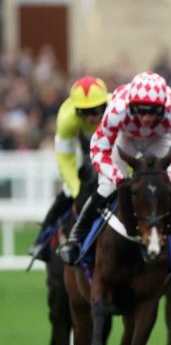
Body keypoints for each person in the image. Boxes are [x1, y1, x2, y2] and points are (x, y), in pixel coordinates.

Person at [58, 71, 171, 265]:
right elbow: (98, 149)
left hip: (159, 139)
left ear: (164, 108)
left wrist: (170, 176)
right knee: (107, 187)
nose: (146, 118)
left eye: (153, 112)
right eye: (141, 110)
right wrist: (117, 176)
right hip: (125, 139)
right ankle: (76, 238)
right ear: (131, 106)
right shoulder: (117, 109)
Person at [28, 76, 110, 259]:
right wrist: (75, 188)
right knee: (67, 191)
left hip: (110, 155)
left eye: (95, 111)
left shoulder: (117, 110)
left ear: (105, 105)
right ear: (76, 110)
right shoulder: (67, 118)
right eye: (84, 112)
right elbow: (65, 159)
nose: (90, 117)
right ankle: (42, 240)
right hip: (83, 156)